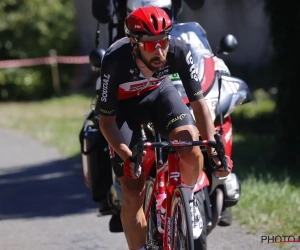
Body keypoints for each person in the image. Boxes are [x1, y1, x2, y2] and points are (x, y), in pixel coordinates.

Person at [96, 6, 230, 249]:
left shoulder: (178, 50)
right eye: (150, 44)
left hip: (160, 96)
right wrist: (127, 155)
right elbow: (106, 121)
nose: (159, 50)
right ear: (134, 43)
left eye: (163, 41)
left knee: (190, 144)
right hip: (124, 111)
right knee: (132, 188)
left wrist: (212, 146)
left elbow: (199, 104)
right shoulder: (115, 60)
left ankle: (189, 200)